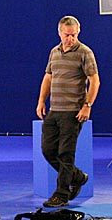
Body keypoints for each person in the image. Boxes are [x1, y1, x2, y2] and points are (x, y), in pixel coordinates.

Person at [36, 16, 99, 208]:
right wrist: (41, 101)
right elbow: (48, 77)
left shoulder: (85, 52)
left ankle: (61, 195)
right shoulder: (54, 52)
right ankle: (77, 177)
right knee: (48, 150)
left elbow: (94, 80)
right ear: (60, 33)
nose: (70, 39)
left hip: (73, 112)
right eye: (67, 35)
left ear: (78, 33)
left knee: (66, 153)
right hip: (54, 109)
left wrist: (87, 105)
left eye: (73, 35)